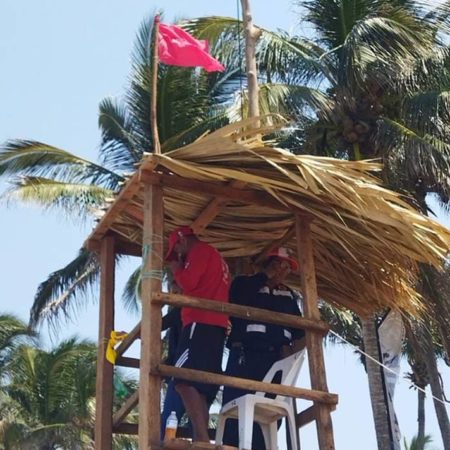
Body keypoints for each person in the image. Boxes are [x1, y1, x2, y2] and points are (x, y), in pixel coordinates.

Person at [221, 247, 306, 450]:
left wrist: (291, 353)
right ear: (268, 264)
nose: (282, 271)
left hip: (273, 360)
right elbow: (235, 300)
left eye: (286, 267)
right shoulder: (245, 283)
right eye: (278, 265)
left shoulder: (288, 295)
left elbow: (301, 333)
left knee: (269, 412)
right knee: (236, 408)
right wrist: (264, 277)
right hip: (245, 357)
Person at [166, 225, 230, 443]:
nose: (179, 257)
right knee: (199, 385)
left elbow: (189, 282)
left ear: (182, 241)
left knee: (182, 380)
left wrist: (176, 269)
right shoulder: (214, 256)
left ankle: (202, 437)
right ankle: (201, 439)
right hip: (215, 326)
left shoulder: (200, 252)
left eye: (177, 251)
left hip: (199, 323)